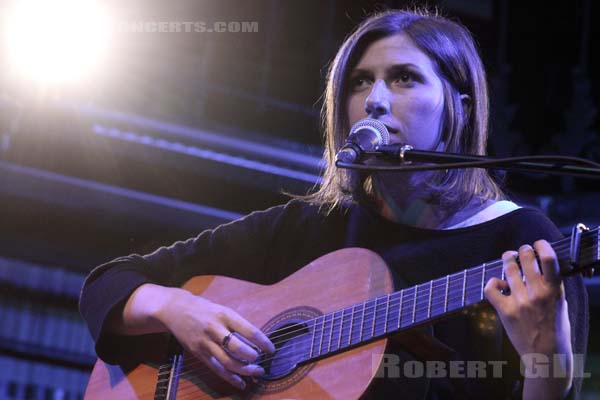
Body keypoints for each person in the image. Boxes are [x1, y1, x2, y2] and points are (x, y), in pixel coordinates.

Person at [79, 8, 588, 399]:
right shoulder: (308, 227)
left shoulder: (523, 242)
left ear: (459, 104)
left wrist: (549, 357)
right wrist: (176, 307)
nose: (375, 99)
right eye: (360, 81)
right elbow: (109, 285)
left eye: (404, 77)